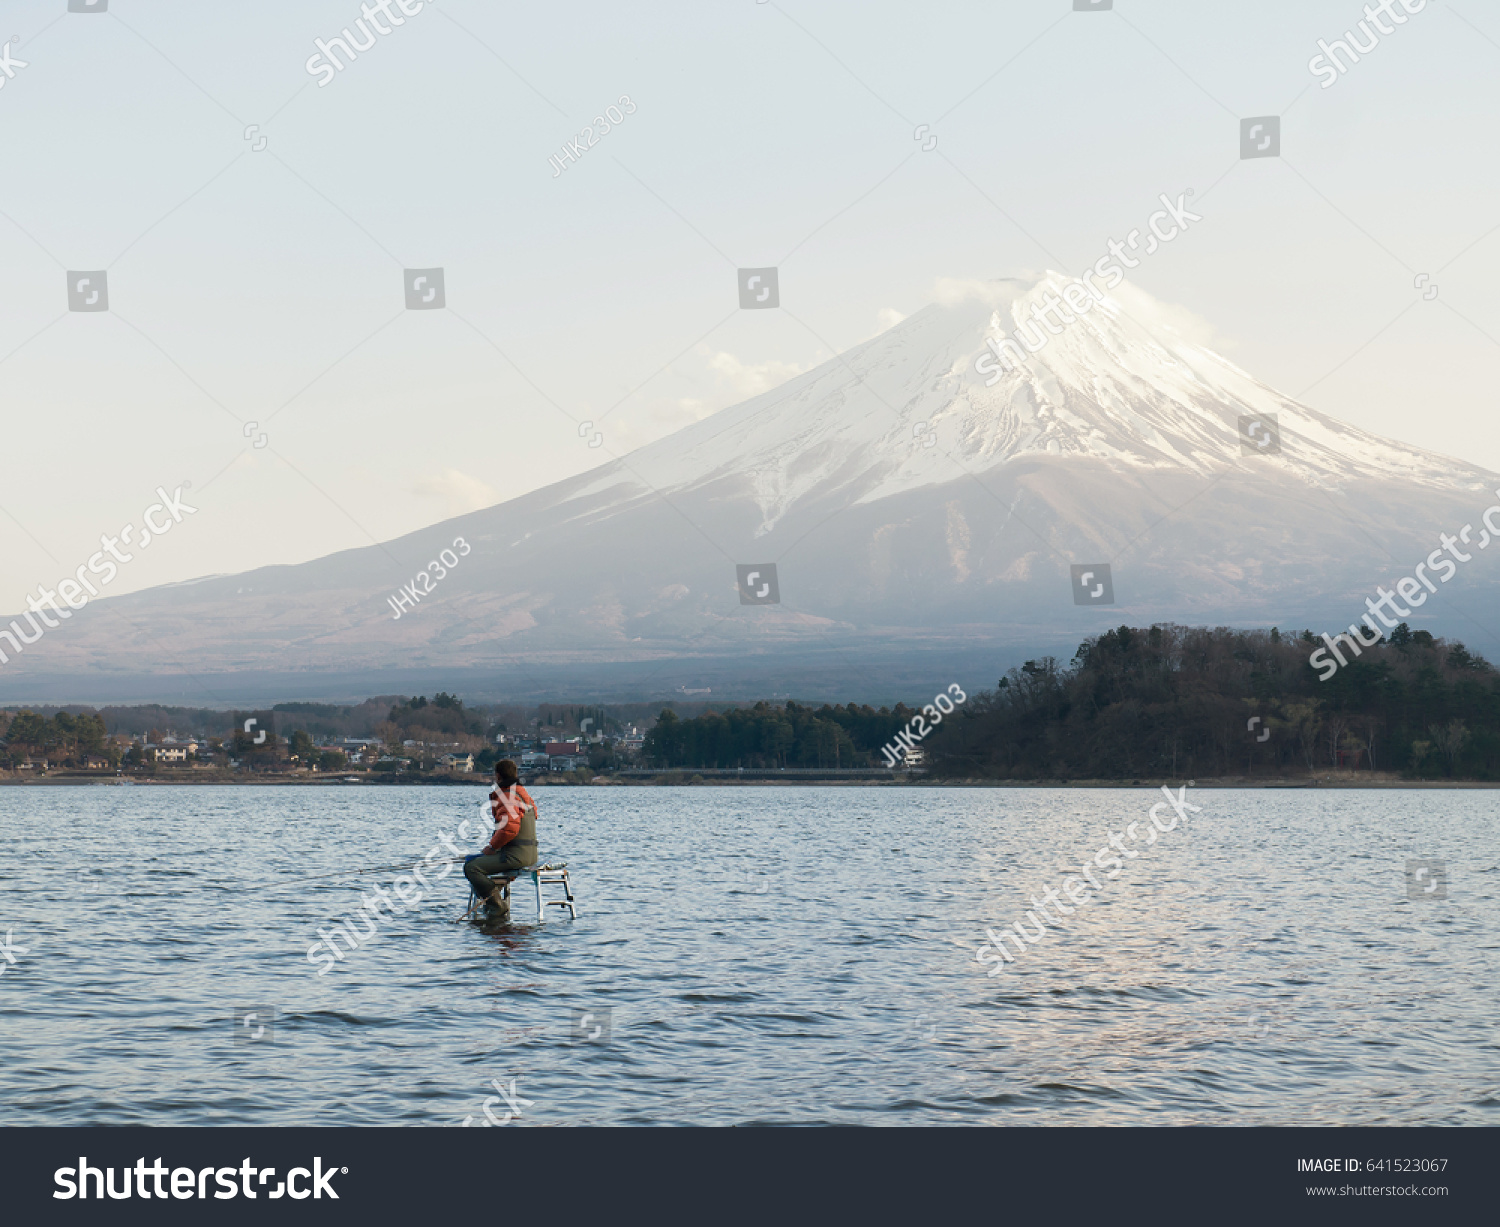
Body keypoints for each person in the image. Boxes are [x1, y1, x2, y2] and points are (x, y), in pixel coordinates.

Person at [463, 760, 538, 915]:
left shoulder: (508, 797)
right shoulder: (524, 795)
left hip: (515, 856)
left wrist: (492, 847)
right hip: (531, 855)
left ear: (498, 776)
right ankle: (494, 900)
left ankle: (497, 906)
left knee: (471, 867)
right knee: (479, 862)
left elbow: (510, 829)